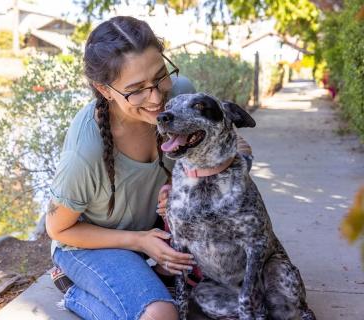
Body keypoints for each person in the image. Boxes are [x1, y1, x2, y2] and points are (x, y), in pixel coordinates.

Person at [45, 16, 252, 320]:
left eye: (159, 76)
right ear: (105, 90)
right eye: (136, 89)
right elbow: (59, 229)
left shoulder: (180, 93)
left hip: (152, 231)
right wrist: (139, 242)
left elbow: (237, 147)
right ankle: (76, 291)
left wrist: (185, 184)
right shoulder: (85, 153)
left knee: (246, 282)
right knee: (161, 314)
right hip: (89, 245)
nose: (157, 99)